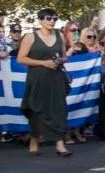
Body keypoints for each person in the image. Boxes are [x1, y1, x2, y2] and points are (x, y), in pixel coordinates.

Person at [17, 8, 74, 156]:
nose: (52, 21)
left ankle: (60, 144)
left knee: (59, 109)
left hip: (56, 78)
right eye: (48, 18)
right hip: (37, 78)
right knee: (37, 109)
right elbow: (21, 58)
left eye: (55, 18)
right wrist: (43, 63)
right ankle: (34, 140)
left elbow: (62, 56)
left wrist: (61, 60)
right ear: (41, 19)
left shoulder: (60, 35)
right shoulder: (30, 37)